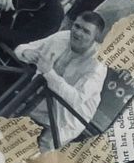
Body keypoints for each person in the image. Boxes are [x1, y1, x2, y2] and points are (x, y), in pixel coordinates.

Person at [12, 11, 110, 145]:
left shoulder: (97, 65)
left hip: (66, 119)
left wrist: (49, 73)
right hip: (37, 104)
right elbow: (22, 48)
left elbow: (76, 100)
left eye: (86, 31)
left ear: (96, 38)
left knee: (43, 149)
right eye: (77, 26)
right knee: (9, 134)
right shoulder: (62, 37)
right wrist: (26, 52)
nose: (78, 33)